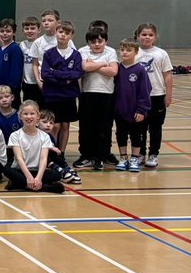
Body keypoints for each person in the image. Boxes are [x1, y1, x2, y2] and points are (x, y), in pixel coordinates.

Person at [75, 26, 118, 172]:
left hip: (106, 93)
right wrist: (102, 64)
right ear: (88, 42)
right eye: (93, 42)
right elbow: (84, 68)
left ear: (105, 41)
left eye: (100, 41)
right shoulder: (82, 51)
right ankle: (86, 155)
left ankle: (101, 156)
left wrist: (92, 65)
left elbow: (113, 71)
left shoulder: (111, 51)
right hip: (87, 93)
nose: (97, 44)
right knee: (86, 127)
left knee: (104, 127)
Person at [40, 20, 83, 155]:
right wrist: (65, 79)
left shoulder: (76, 55)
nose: (63, 35)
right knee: (54, 125)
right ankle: (52, 151)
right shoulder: (49, 53)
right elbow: (45, 74)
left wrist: (56, 72)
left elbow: (77, 73)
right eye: (60, 32)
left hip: (68, 96)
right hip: (52, 96)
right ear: (56, 33)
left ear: (71, 35)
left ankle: (62, 153)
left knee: (65, 125)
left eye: (67, 33)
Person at [135, 22, 173, 169]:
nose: (147, 37)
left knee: (155, 128)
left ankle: (153, 154)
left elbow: (167, 75)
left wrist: (168, 95)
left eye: (150, 35)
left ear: (155, 37)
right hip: (139, 97)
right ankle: (140, 153)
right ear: (138, 36)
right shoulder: (133, 52)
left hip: (157, 95)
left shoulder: (161, 54)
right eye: (143, 34)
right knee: (140, 128)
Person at [4, 101, 65, 193]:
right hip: (21, 170)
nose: (29, 117)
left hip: (37, 171)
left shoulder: (44, 136)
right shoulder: (15, 135)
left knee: (57, 174)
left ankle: (21, 185)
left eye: (32, 114)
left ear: (38, 116)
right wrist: (29, 177)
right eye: (25, 114)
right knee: (7, 170)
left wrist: (38, 178)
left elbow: (43, 159)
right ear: (20, 116)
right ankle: (43, 187)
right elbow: (19, 158)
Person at [114, 38, 152, 173]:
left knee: (136, 135)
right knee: (121, 134)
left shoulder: (140, 70)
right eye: (122, 50)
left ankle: (134, 158)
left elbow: (145, 91)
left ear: (136, 52)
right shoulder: (116, 69)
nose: (124, 53)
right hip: (120, 111)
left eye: (129, 50)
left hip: (136, 111)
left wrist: (142, 110)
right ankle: (123, 157)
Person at [0, 18, 23, 105]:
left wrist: (10, 90)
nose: (5, 33)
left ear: (14, 32)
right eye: (2, 31)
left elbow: (16, 73)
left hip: (9, 92)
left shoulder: (14, 49)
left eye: (8, 31)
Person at [19, 16, 43, 105]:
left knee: (41, 108)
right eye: (26, 28)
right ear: (23, 30)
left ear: (39, 30)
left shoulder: (41, 43)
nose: (29, 31)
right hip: (27, 82)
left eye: (33, 28)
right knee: (28, 107)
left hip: (40, 82)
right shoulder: (22, 45)